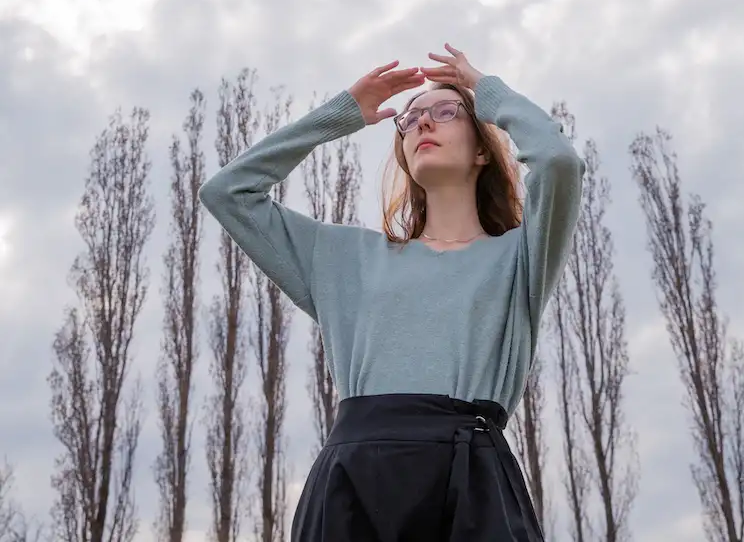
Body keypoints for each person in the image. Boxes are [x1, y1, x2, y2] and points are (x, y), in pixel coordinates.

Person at [199, 43, 586, 540]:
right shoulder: (340, 257)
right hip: (352, 484)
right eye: (410, 118)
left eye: (446, 112)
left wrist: (486, 91)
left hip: (472, 478)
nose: (422, 122)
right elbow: (227, 193)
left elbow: (558, 162)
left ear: (485, 148)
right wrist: (337, 117)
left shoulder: (520, 257)